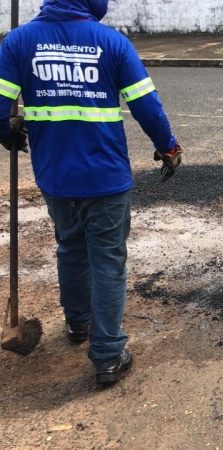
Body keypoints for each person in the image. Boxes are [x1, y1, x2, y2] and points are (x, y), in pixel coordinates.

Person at [0, 0, 185, 386]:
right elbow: (147, 107)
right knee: (107, 260)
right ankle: (108, 354)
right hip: (105, 178)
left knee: (70, 246)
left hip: (55, 176)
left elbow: (0, 108)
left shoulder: (18, 42)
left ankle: (78, 322)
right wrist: (167, 147)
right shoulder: (112, 43)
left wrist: (8, 132)